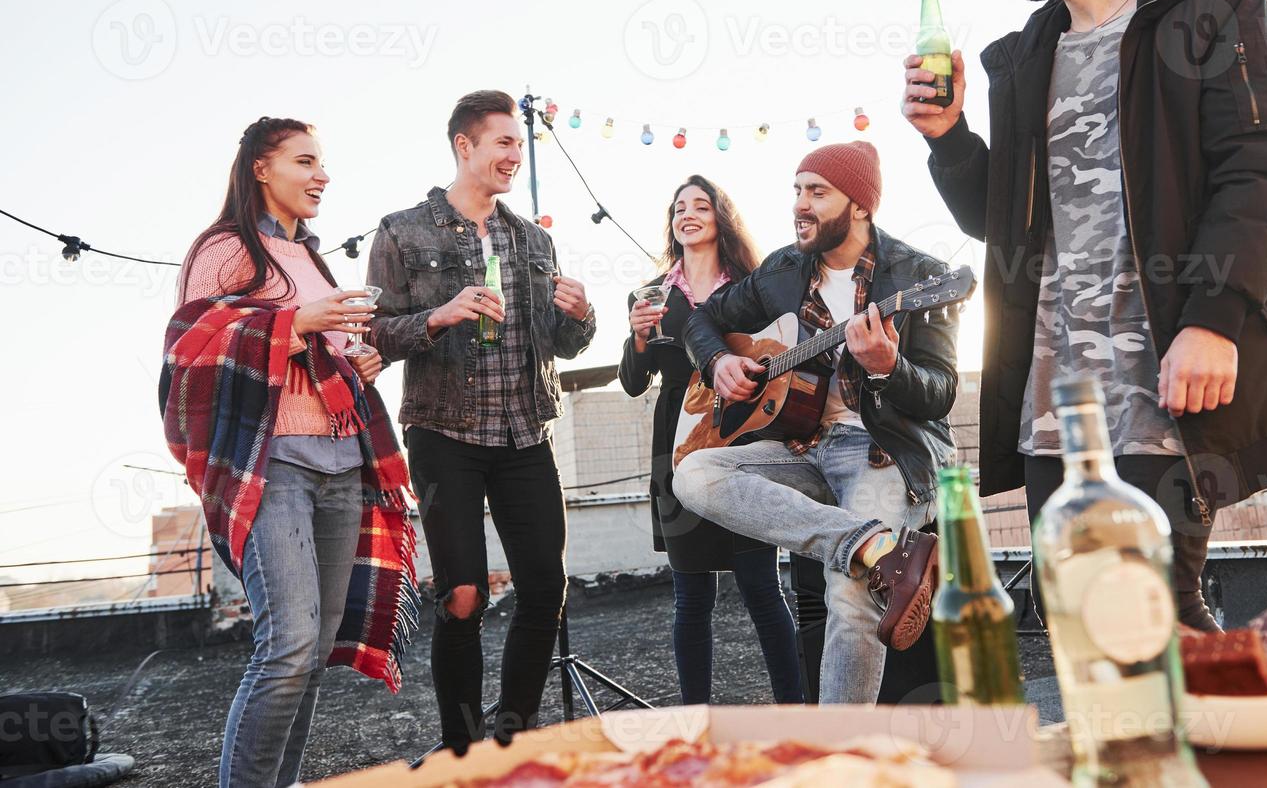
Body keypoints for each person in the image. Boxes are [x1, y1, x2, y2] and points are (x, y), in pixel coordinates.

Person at [902, 0, 1267, 631]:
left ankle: (1260, 740)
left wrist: (1212, 316)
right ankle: (1125, 759)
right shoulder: (1030, 55)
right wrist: (949, 138)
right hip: (1052, 403)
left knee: (1152, 611)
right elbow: (1004, 225)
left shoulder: (1204, 1)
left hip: (1162, 381)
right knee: (1074, 617)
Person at [163, 116, 418, 788]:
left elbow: (311, 349)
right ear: (260, 168)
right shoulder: (224, 248)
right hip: (270, 461)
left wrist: (354, 360)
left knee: (313, 651)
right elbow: (187, 349)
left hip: (341, 460)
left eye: (322, 163)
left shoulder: (309, 256)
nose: (321, 175)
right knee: (288, 644)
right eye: (305, 161)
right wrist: (297, 323)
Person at [672, 141, 960, 704]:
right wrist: (718, 361)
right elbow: (703, 319)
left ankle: (837, 754)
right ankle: (875, 546)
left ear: (859, 206)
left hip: (885, 450)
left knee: (850, 592)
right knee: (694, 474)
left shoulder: (923, 276)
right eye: (797, 191)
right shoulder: (783, 269)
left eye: (817, 193)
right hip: (805, 445)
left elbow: (940, 394)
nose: (800, 205)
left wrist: (889, 367)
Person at [366, 89, 595, 751]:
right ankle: (461, 747)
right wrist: (437, 317)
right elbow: (372, 335)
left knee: (545, 589)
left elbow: (561, 343)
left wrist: (581, 316)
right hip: (444, 437)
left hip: (526, 435)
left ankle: (509, 737)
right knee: (461, 594)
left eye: (518, 146)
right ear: (464, 146)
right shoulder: (401, 231)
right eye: (502, 143)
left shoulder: (533, 239)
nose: (513, 156)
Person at [619, 175, 803, 706]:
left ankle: (795, 712)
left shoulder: (750, 283)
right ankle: (696, 721)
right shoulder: (650, 294)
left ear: (721, 217)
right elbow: (634, 381)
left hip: (743, 440)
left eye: (701, 205)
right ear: (672, 222)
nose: (689, 213)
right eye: (680, 207)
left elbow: (776, 353)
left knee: (761, 589)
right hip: (675, 448)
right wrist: (636, 336)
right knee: (690, 597)